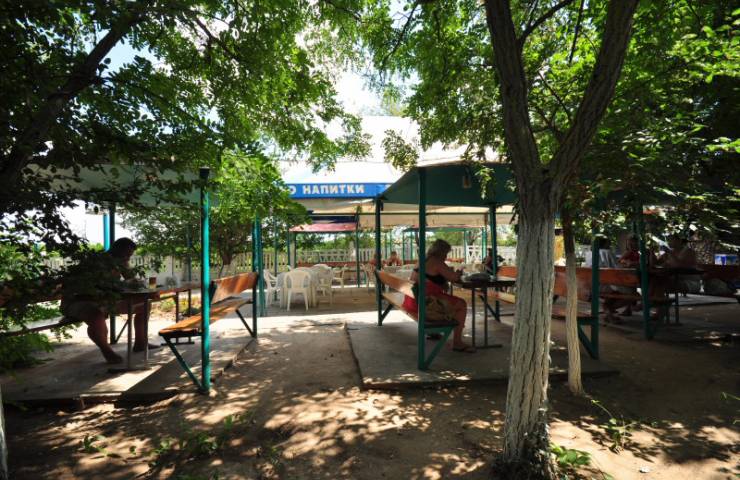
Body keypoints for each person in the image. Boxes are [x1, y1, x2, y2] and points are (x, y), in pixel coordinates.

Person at [61, 238, 156, 364]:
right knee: (95, 316)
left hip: (104, 301)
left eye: (130, 255)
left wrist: (134, 280)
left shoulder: (120, 262)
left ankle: (140, 343)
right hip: (77, 302)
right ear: (116, 250)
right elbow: (87, 290)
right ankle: (107, 351)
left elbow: (132, 280)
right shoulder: (95, 262)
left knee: (144, 305)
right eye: (126, 254)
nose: (128, 258)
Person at [402, 239, 474, 352]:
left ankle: (434, 333)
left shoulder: (423, 259)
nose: (446, 256)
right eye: (446, 253)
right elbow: (454, 277)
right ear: (441, 252)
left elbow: (432, 277)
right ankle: (457, 342)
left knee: (450, 300)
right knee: (461, 304)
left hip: (412, 301)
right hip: (425, 305)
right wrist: (458, 273)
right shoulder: (437, 261)